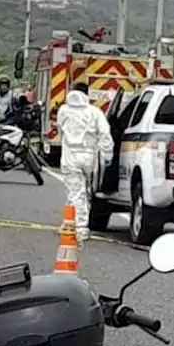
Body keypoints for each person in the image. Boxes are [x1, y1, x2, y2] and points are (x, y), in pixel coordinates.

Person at [56, 82, 113, 245]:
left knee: (75, 191)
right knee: (86, 191)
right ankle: (69, 223)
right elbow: (105, 134)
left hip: (70, 157)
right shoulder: (95, 112)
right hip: (90, 156)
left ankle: (80, 228)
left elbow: (60, 128)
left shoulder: (64, 111)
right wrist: (107, 155)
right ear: (87, 94)